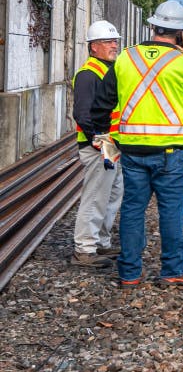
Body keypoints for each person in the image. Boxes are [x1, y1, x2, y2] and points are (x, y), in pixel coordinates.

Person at [92, 0, 183, 288]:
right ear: (181, 33)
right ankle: (174, 269)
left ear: (152, 26)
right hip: (171, 155)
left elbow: (100, 107)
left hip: (131, 153)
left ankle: (129, 273)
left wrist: (105, 143)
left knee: (131, 210)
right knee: (171, 212)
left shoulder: (125, 59)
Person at [70, 20, 125, 268]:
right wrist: (98, 140)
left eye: (115, 41)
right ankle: (85, 249)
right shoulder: (88, 75)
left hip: (109, 145)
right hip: (98, 145)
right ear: (94, 47)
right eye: (108, 42)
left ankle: (101, 242)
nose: (114, 46)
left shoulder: (106, 71)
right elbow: (82, 113)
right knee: (94, 197)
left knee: (112, 194)